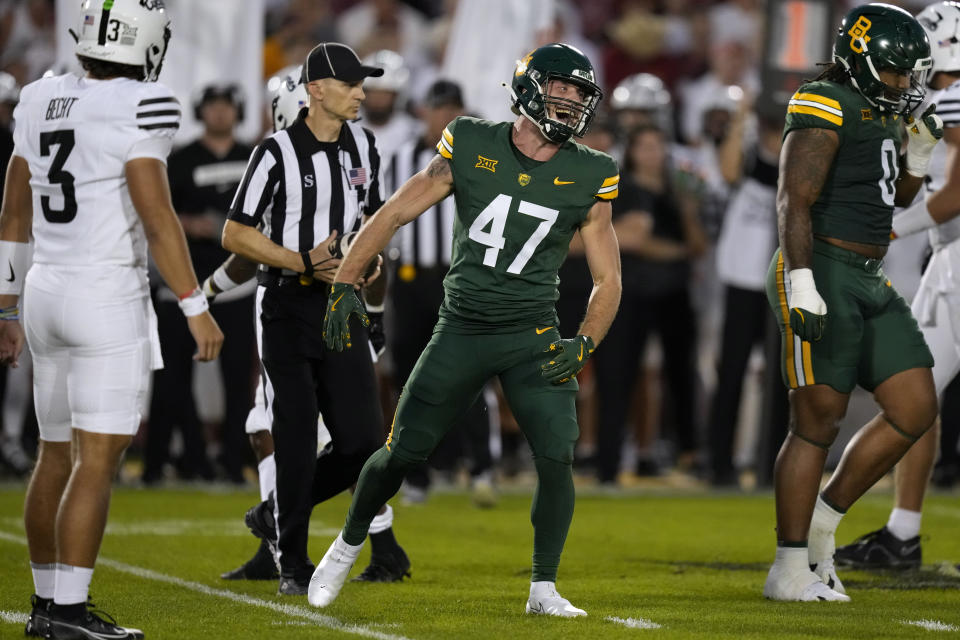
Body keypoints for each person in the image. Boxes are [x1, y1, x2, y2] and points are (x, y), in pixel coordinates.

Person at [309, 42, 621, 617]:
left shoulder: (592, 172)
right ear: (530, 88)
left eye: (582, 93)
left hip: (533, 334)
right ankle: (348, 543)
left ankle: (543, 588)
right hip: (462, 327)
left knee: (557, 454)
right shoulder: (473, 142)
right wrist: (344, 282)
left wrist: (586, 340)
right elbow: (395, 212)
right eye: (563, 88)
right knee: (402, 453)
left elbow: (608, 279)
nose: (573, 102)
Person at [0, 1, 224, 638]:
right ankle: (68, 613)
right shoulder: (142, 104)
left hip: (43, 292)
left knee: (53, 455)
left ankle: (46, 608)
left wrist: (4, 307)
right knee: (95, 461)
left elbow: (12, 218)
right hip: (104, 296)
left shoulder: (38, 97)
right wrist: (195, 305)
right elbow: (158, 217)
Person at [762, 3, 941, 602]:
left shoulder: (883, 110)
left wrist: (917, 157)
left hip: (868, 273)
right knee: (817, 421)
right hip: (824, 268)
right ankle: (788, 568)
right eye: (894, 72)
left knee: (915, 406)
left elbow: (893, 197)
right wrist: (802, 279)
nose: (903, 84)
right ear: (860, 62)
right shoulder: (823, 99)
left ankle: (822, 524)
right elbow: (794, 198)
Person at [220, 42, 409, 596]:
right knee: (296, 435)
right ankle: (293, 565)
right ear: (316, 89)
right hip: (287, 302)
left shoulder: (365, 145)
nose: (361, 93)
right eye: (351, 84)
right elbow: (236, 233)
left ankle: (274, 511)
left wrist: (369, 264)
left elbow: (371, 219)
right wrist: (301, 260)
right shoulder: (275, 151)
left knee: (364, 443)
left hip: (341, 303)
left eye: (362, 84)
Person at [834, 0, 960, 570]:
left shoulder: (953, 97)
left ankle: (874, 530)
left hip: (956, 259)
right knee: (919, 397)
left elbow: (957, 193)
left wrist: (889, 227)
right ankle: (901, 533)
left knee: (914, 395)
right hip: (947, 257)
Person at [385, 78, 498, 508]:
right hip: (412, 281)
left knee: (469, 377)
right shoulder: (400, 159)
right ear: (424, 113)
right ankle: (415, 475)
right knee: (410, 379)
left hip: (463, 278)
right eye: (440, 108)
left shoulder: (485, 160)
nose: (447, 117)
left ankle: (483, 470)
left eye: (454, 108)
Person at [143, 83, 256, 485]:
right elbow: (156, 214)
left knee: (239, 378)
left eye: (227, 105)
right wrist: (189, 224)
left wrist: (227, 229)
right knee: (171, 377)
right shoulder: (181, 158)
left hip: (239, 283)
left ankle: (232, 460)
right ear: (200, 111)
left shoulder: (254, 157)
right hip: (185, 282)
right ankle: (171, 460)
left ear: (237, 110)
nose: (221, 113)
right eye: (213, 106)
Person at [593, 124, 706, 485]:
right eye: (644, 146)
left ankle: (689, 455)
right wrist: (678, 252)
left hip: (674, 292)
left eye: (657, 146)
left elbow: (699, 245)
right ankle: (607, 464)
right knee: (617, 377)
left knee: (682, 377)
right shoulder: (621, 188)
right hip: (631, 292)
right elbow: (636, 242)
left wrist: (688, 212)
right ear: (632, 152)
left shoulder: (679, 192)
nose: (651, 154)